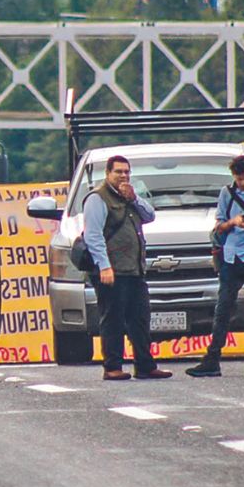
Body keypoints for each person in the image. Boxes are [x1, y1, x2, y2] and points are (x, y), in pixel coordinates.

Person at [187, 154, 244, 378]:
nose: (243, 183)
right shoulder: (227, 193)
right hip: (230, 256)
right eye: (239, 179)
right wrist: (234, 222)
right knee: (222, 309)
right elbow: (219, 224)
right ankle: (212, 359)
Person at [83, 156, 172, 381]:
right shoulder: (97, 198)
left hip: (134, 270)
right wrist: (104, 266)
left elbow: (150, 216)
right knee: (112, 319)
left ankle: (145, 365)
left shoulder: (129, 196)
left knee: (140, 319)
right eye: (118, 172)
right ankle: (112, 366)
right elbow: (93, 236)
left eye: (126, 172)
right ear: (108, 173)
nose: (123, 176)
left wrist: (135, 198)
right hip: (112, 271)